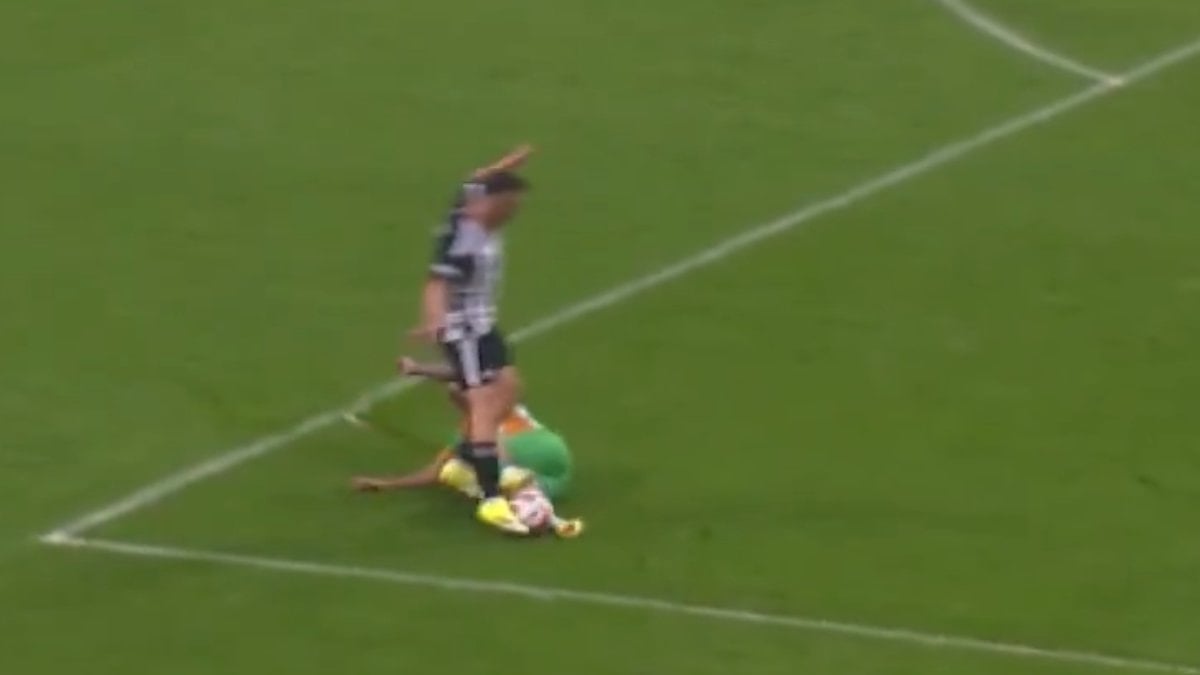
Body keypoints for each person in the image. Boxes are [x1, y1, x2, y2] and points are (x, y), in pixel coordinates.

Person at [409, 145, 533, 534]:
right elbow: (436, 282)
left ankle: (471, 459)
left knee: (509, 387)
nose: (513, 212)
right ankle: (491, 498)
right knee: (482, 403)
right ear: (490, 205)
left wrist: (507, 164)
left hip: (484, 324)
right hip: (464, 330)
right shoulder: (466, 241)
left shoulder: (471, 203)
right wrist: (434, 320)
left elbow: (477, 178)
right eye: (509, 205)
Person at [351, 358, 583, 538]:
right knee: (474, 469)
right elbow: (465, 377)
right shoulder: (503, 401)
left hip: (527, 448)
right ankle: (538, 510)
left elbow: (434, 473)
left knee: (459, 471)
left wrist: (386, 484)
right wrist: (419, 369)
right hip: (555, 455)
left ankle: (515, 491)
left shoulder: (473, 428)